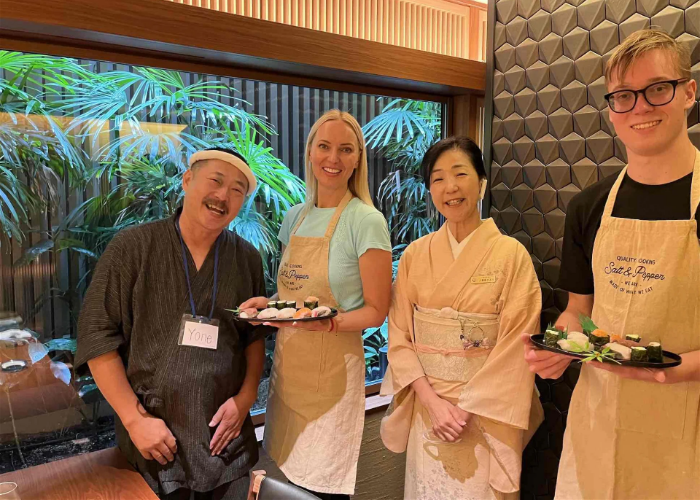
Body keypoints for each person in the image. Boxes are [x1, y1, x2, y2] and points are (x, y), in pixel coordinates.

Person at [522, 29, 700, 499]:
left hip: (688, 425)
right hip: (600, 419)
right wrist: (557, 347)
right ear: (611, 110)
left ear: (689, 92)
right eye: (623, 96)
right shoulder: (589, 207)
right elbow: (580, 310)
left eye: (657, 88)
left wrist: (673, 368)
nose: (640, 107)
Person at [76, 148, 269, 500]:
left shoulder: (246, 258)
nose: (223, 196)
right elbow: (96, 336)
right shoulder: (133, 247)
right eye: (215, 180)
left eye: (237, 190)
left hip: (225, 445)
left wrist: (246, 398)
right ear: (187, 180)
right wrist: (134, 421)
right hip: (155, 442)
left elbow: (254, 337)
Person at [380, 136, 544, 500]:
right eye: (437, 178)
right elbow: (399, 336)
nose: (450, 187)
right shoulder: (415, 256)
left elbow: (518, 345)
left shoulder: (510, 255)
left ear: (481, 182)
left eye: (460, 174)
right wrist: (434, 404)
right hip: (429, 409)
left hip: (485, 414)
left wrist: (465, 410)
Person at [240, 109, 392, 499]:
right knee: (288, 483)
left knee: (322, 489)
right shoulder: (294, 217)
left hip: (334, 379)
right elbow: (294, 295)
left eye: (345, 149)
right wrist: (269, 304)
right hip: (291, 373)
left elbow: (377, 310)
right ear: (310, 152)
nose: (333, 158)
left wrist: (328, 324)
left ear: (358, 158)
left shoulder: (366, 220)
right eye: (324, 147)